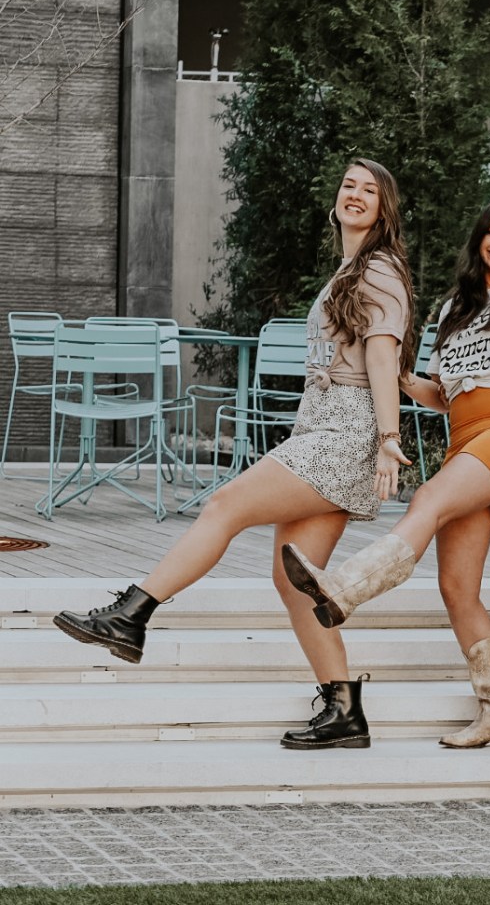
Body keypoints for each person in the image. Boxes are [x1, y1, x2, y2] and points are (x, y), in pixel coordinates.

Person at [54, 158, 416, 751]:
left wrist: (386, 440)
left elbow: (382, 361)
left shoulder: (379, 271)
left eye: (369, 190)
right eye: (348, 183)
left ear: (384, 208)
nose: (355, 194)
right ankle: (344, 711)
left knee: (224, 504)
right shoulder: (354, 269)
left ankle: (131, 615)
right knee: (295, 580)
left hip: (345, 432)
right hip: (321, 425)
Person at [281, 198, 490, 750]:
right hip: (468, 436)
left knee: (426, 502)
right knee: (456, 586)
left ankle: (344, 587)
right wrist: (389, 369)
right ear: (478, 241)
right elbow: (440, 395)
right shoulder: (453, 310)